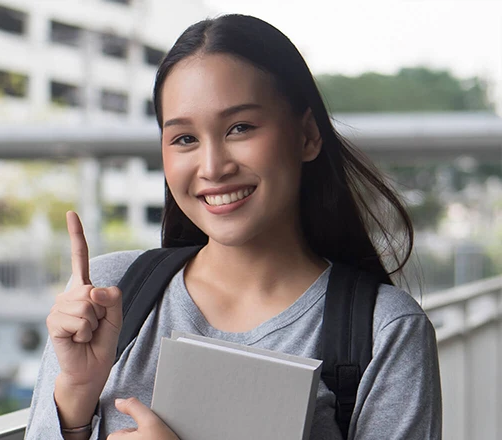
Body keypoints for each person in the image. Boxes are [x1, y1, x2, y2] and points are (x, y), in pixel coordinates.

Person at [25, 14, 442, 440]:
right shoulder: (109, 294)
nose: (212, 167)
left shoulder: (385, 330)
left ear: (308, 136)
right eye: (184, 138)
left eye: (240, 128)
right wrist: (76, 394)